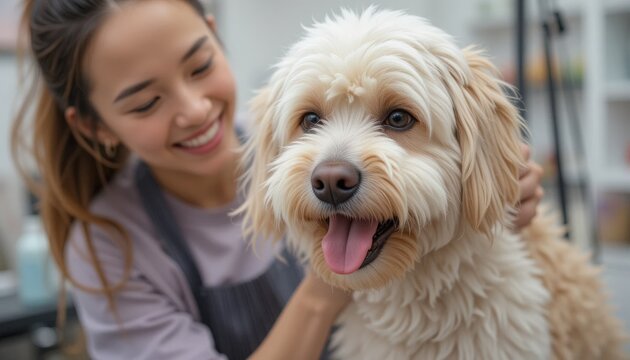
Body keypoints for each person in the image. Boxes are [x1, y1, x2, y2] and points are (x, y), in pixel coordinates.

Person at [12, 0, 544, 359]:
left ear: (216, 39)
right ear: (95, 126)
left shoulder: (272, 133)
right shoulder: (110, 246)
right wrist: (326, 284)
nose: (195, 110)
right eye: (147, 101)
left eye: (199, 67)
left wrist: (499, 194)